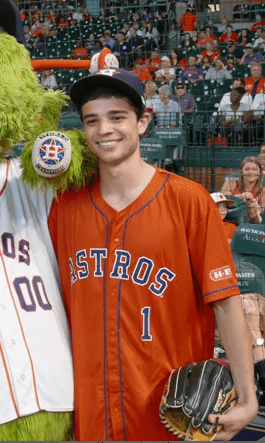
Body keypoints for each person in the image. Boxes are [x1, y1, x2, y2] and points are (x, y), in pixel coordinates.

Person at [48, 67, 258, 441]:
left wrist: (247, 397)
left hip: (170, 415)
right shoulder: (65, 207)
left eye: (117, 117)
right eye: (92, 120)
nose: (104, 130)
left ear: (143, 122)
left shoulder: (188, 200)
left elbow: (226, 302)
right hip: (91, 414)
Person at [221, 156, 265, 223]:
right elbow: (222, 202)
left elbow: (263, 211)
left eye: (254, 169)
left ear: (260, 172)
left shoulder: (262, 190)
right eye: (247, 169)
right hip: (230, 221)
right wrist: (239, 198)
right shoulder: (230, 183)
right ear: (241, 171)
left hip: (251, 224)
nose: (250, 172)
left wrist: (253, 202)